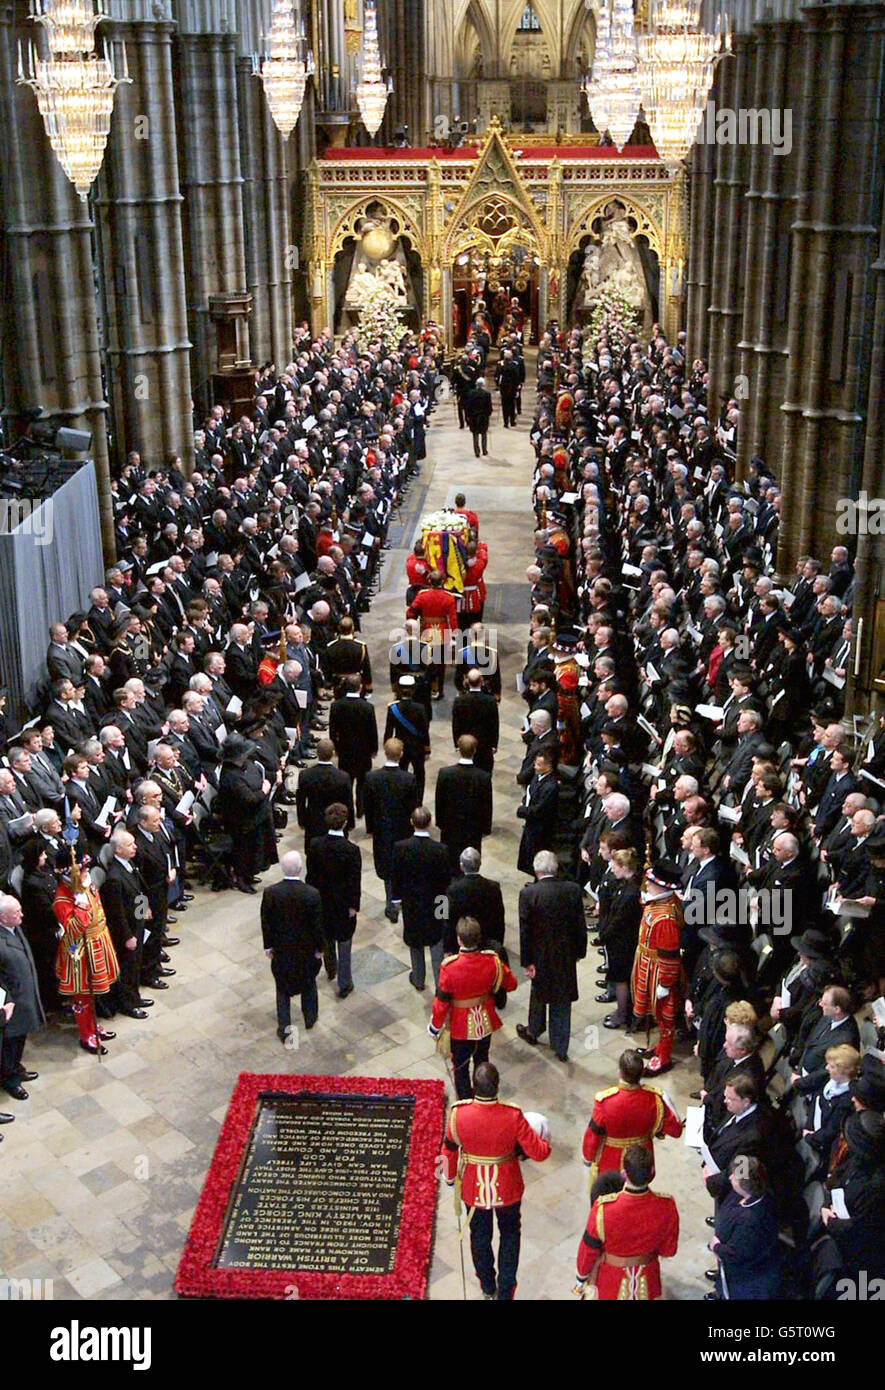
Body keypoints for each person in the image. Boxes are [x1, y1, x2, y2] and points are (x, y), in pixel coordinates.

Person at [439, 1060, 551, 1300]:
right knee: (510, 1235)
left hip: (473, 1188)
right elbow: (539, 1153)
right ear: (497, 1086)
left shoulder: (458, 1113)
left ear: (473, 1085)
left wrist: (449, 1178)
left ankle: (487, 1285)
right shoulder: (512, 1114)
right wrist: (545, 1142)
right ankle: (506, 1291)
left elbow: (448, 1149)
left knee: (480, 1237)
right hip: (507, 1186)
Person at [574, 1143, 679, 1300]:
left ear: (624, 1173)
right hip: (648, 1281)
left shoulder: (603, 1208)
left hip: (610, 1283)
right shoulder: (667, 1205)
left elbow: (588, 1249)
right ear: (652, 1172)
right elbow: (668, 1250)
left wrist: (581, 1276)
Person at [429, 916, 517, 1099]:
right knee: (482, 1061)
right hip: (485, 1022)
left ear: (459, 939)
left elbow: (441, 1002)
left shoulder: (449, 967)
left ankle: (464, 1103)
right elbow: (512, 984)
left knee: (460, 1067)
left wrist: (435, 1026)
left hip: (460, 1026)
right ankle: (482, 1097)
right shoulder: (492, 960)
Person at [515, 850, 586, 1063]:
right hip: (565, 954)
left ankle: (534, 1030)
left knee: (538, 993)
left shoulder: (529, 894)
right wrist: (579, 951)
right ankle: (561, 1046)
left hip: (540, 956)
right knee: (562, 999)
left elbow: (525, 931)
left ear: (536, 870)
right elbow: (579, 925)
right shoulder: (572, 890)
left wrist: (527, 961)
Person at [53, 849, 119, 1055]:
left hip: (97, 940)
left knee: (93, 993)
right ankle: (86, 1033)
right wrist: (80, 906)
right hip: (79, 949)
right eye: (82, 869)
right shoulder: (62, 899)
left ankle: (93, 1026)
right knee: (82, 995)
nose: (86, 872)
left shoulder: (85, 884)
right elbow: (73, 929)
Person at [582, 1048, 683, 1181]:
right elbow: (676, 1130)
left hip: (610, 1165)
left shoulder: (605, 1101)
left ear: (619, 1073)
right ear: (641, 1074)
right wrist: (666, 1100)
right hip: (642, 1165)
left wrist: (588, 1158)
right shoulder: (655, 1100)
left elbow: (593, 1135)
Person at [260, 851, 326, 1040]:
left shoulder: (271, 893)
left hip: (282, 950)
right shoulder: (312, 894)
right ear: (300, 868)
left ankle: (284, 1028)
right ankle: (310, 1018)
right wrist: (320, 949)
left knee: (282, 988)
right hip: (306, 951)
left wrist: (268, 946)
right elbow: (317, 926)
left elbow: (266, 922)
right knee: (309, 984)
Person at [630, 861, 685, 1076]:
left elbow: (670, 955)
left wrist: (665, 982)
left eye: (652, 883)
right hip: (647, 964)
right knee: (656, 1014)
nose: (648, 885)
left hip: (658, 971)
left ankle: (664, 1056)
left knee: (664, 1016)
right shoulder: (659, 903)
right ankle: (660, 1047)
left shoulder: (666, 918)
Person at [390, 806, 452, 992]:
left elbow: (396, 877)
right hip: (436, 904)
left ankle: (418, 978)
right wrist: (444, 911)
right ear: (430, 823)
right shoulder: (440, 850)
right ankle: (440, 985)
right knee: (437, 942)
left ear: (411, 822)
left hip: (412, 904)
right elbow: (446, 882)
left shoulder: (401, 848)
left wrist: (396, 900)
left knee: (415, 942)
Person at [305, 803, 362, 999]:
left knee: (326, 937)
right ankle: (344, 983)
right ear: (345, 823)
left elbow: (311, 877)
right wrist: (354, 906)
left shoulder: (315, 845)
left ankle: (331, 969)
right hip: (343, 905)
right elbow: (354, 882)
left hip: (321, 902)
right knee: (344, 942)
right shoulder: (351, 850)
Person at [707, 1155, 781, 1300]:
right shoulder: (750, 1194)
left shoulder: (750, 1222)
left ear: (745, 1185)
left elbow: (736, 1254)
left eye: (735, 1178)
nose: (730, 1178)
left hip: (743, 1275)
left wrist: (716, 1247)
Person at [363, 738, 418, 922]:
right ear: (401, 754)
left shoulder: (372, 778)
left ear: (385, 753)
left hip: (382, 830)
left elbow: (368, 807)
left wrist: (371, 828)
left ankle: (391, 905)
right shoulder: (408, 779)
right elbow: (413, 807)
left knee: (387, 868)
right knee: (403, 867)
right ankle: (401, 901)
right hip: (403, 830)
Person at [0, 895, 44, 1099]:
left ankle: (16, 1068)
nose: (22, 915)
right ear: (3, 918)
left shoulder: (15, 928)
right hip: (11, 1002)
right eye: (17, 912)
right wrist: (8, 1000)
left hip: (24, 995)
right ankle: (9, 1079)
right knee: (10, 1045)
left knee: (20, 1039)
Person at [435, 735, 493, 871]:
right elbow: (486, 806)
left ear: (458, 750)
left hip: (450, 827)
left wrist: (440, 823)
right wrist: (485, 829)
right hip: (473, 829)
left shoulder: (445, 774)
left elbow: (439, 801)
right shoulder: (483, 777)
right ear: (475, 751)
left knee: (450, 864)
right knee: (470, 864)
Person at [328, 674, 378, 817]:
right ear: (360, 687)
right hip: (364, 751)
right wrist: (374, 749)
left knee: (346, 782)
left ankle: (347, 811)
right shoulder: (367, 707)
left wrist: (336, 747)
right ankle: (361, 810)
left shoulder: (336, 706)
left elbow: (332, 731)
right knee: (362, 783)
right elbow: (372, 731)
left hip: (345, 751)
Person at [442, 846, 505, 955]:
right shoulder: (493, 887)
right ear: (480, 864)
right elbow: (499, 918)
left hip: (463, 942)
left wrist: (448, 948)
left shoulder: (453, 890)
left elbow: (448, 922)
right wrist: (498, 944)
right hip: (487, 942)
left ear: (461, 866)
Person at [295, 738, 354, 841]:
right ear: (333, 753)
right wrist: (350, 823)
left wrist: (302, 822)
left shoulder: (305, 775)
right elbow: (348, 802)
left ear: (317, 753)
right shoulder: (343, 777)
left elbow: (300, 801)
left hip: (314, 823)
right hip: (337, 821)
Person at [384, 676, 430, 801]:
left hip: (400, 747)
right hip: (417, 747)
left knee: (400, 774)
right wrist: (427, 749)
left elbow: (388, 731)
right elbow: (424, 731)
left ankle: (401, 799)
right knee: (419, 774)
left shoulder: (393, 708)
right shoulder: (420, 708)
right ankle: (418, 801)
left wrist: (387, 747)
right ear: (413, 690)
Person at [515, 751, 559, 876]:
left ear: (548, 767)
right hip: (531, 824)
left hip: (541, 829)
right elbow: (530, 791)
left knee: (535, 855)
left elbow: (539, 809)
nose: (535, 767)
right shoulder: (538, 776)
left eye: (539, 765)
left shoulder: (550, 786)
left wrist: (522, 810)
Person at [451, 668, 499, 775]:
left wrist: (457, 744)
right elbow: (494, 725)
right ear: (482, 681)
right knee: (485, 773)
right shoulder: (490, 701)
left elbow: (456, 724)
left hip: (466, 742)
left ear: (467, 681)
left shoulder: (459, 701)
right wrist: (494, 744)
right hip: (485, 743)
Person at [465, 375, 493, 458]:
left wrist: (467, 416)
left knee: (475, 434)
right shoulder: (487, 394)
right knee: (484, 434)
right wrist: (488, 414)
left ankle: (477, 451)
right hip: (483, 416)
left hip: (473, 416)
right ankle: (484, 450)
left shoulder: (471, 393)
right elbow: (489, 407)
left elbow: (468, 406)